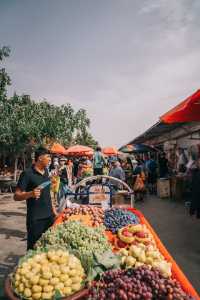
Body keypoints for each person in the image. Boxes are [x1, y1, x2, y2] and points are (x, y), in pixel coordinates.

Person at [14, 147, 56, 250]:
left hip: (49, 217)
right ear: (40, 158)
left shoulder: (46, 172)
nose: (50, 160)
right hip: (36, 219)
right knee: (33, 249)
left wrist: (54, 211)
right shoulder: (27, 174)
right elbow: (16, 196)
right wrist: (30, 194)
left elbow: (48, 193)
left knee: (48, 248)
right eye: (48, 157)